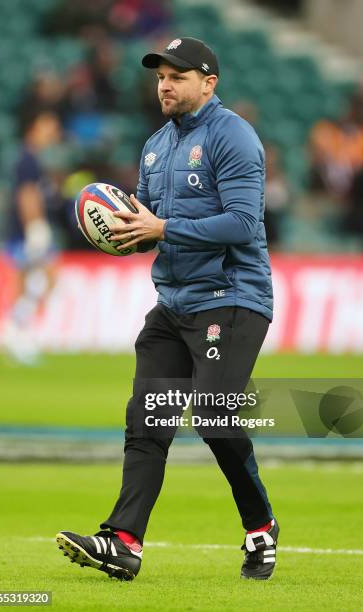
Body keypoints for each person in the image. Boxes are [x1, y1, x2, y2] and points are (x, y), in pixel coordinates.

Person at [56, 37, 278, 581]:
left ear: (209, 82)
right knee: (146, 422)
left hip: (232, 299)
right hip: (173, 306)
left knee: (212, 417)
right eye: (160, 75)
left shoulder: (234, 137)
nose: (165, 84)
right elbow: (150, 227)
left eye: (178, 76)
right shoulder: (155, 145)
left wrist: (162, 228)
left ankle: (260, 526)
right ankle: (123, 542)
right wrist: (127, 235)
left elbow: (244, 224)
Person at [0, 109, 63, 364]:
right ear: (34, 127)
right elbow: (27, 195)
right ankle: (15, 332)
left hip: (23, 230)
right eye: (49, 125)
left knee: (32, 281)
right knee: (41, 278)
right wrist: (35, 227)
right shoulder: (28, 159)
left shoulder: (31, 157)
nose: (54, 131)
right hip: (25, 231)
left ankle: (15, 330)